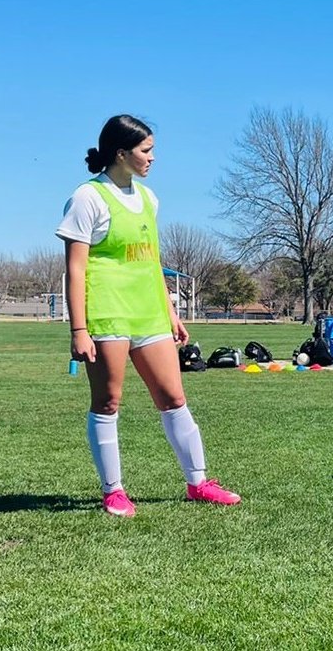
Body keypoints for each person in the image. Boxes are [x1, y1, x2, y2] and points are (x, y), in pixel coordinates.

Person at [56, 114, 241, 517]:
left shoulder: (148, 199)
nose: (152, 158)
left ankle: (199, 483)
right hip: (107, 315)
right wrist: (79, 329)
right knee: (108, 402)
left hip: (149, 315)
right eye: (146, 150)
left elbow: (153, 262)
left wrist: (170, 312)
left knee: (174, 398)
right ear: (121, 153)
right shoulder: (87, 198)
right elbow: (75, 269)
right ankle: (114, 491)